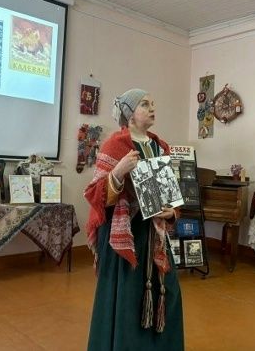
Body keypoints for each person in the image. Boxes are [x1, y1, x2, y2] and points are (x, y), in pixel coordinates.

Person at [84, 88, 184, 351]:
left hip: (155, 235)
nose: (152, 108)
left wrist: (172, 212)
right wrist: (118, 172)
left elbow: (171, 194)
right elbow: (95, 195)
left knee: (168, 291)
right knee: (127, 297)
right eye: (144, 104)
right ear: (129, 114)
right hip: (125, 237)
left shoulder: (160, 146)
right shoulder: (114, 145)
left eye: (152, 103)